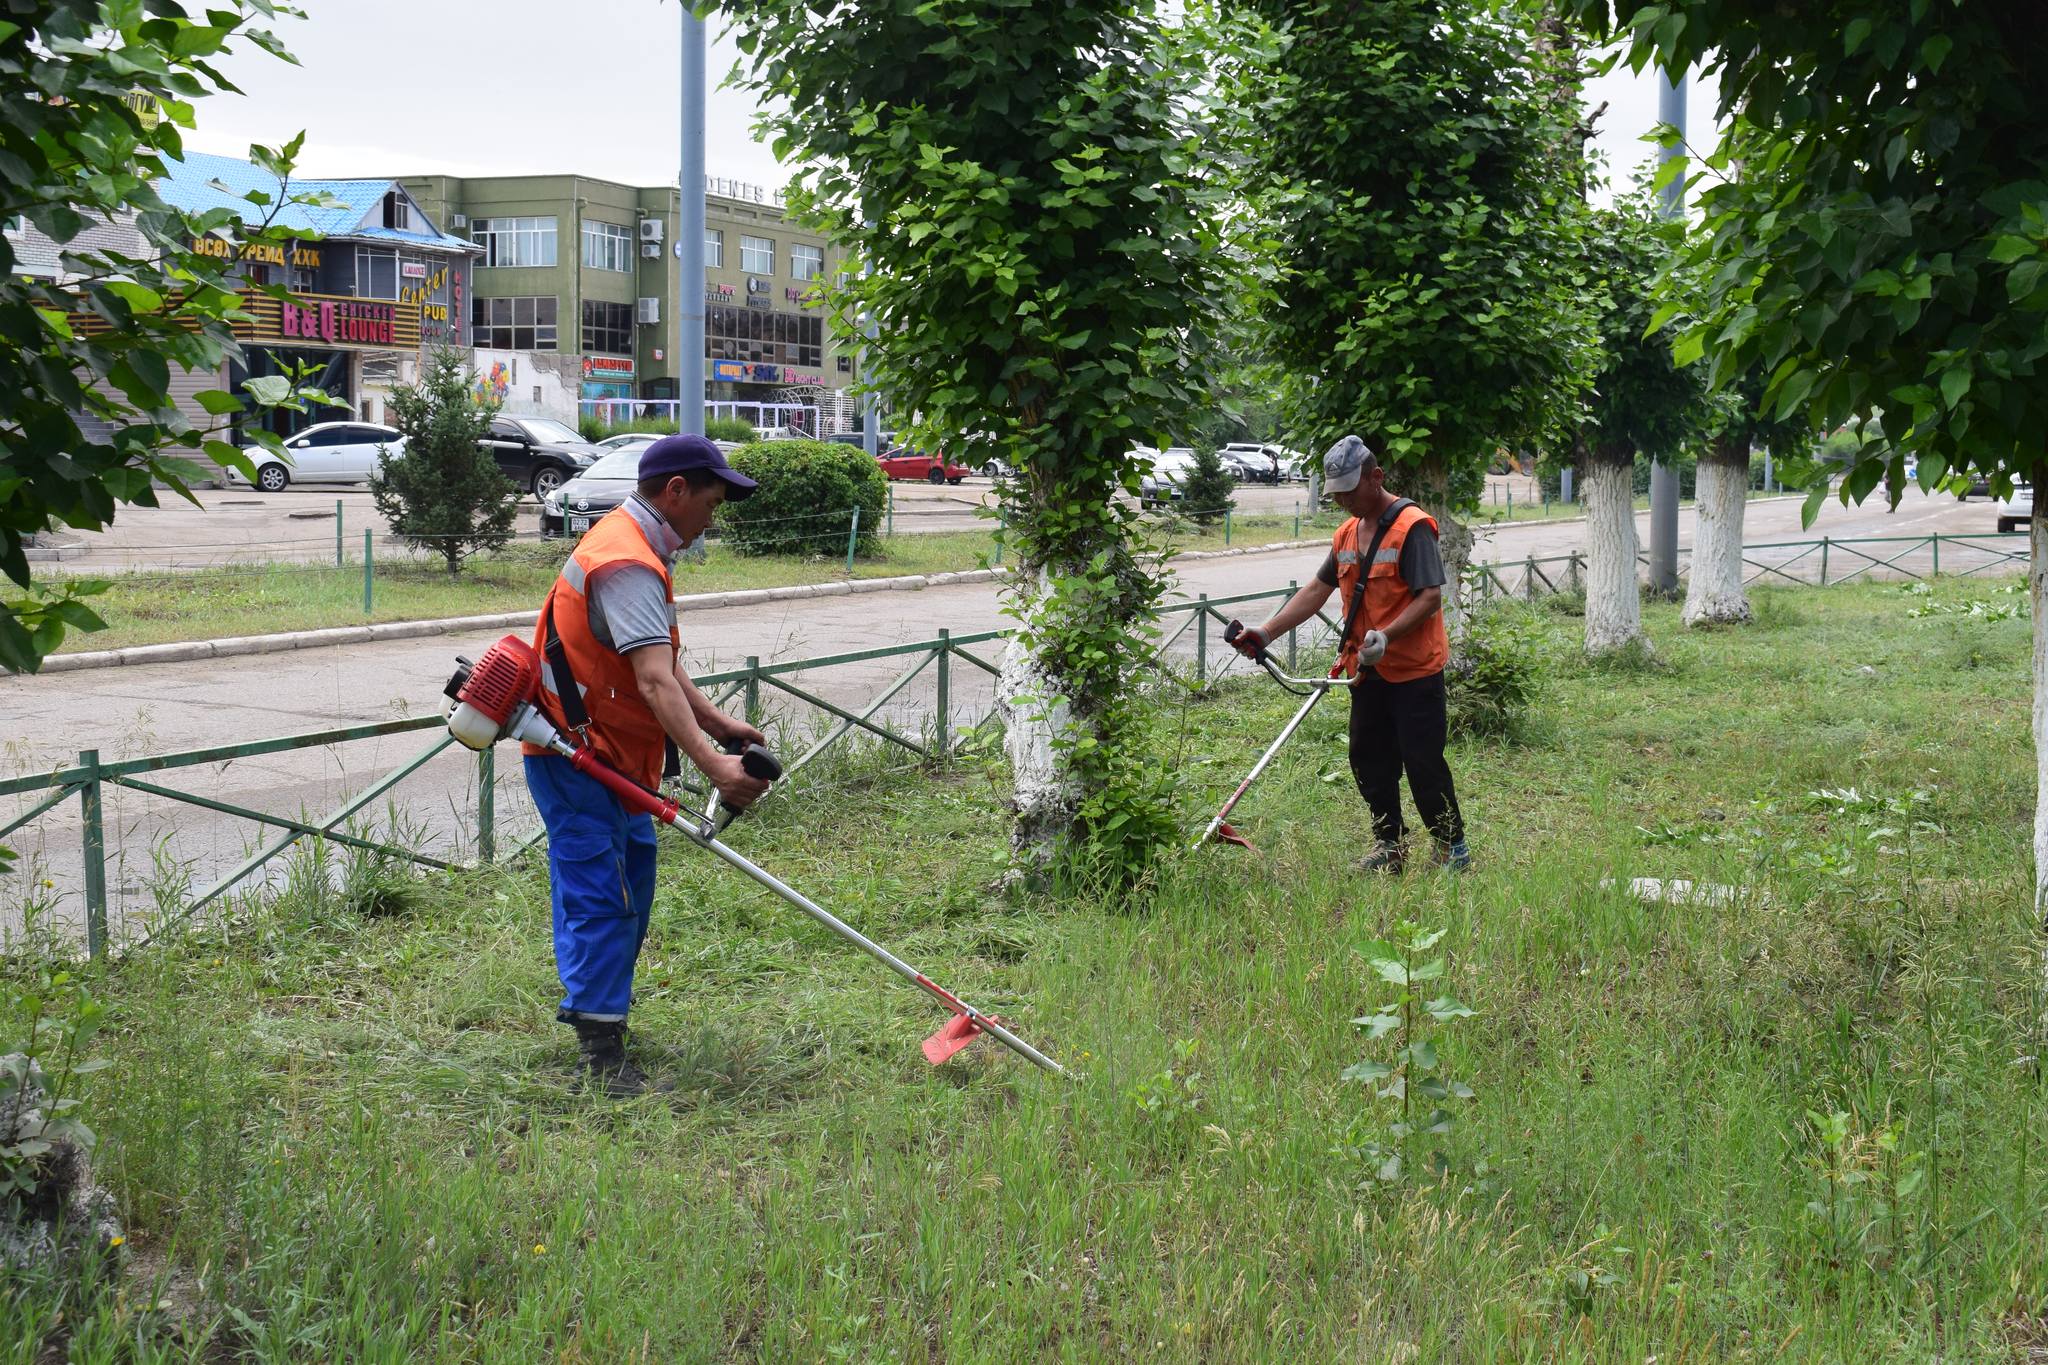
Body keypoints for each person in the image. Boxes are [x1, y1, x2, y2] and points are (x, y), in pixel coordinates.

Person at [521, 433, 773, 1095]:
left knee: (632, 876)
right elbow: (655, 683)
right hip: (575, 757)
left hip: (613, 760)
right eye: (713, 502)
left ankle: (605, 1018)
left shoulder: (635, 545)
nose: (713, 520)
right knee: (602, 898)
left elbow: (655, 660)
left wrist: (716, 721)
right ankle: (601, 1060)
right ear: (677, 491)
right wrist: (718, 767)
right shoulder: (626, 561)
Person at [1229, 434, 1469, 873]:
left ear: (1375, 477)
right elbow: (1317, 591)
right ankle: (1389, 846)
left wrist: (1387, 636)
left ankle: (1452, 846)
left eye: (1348, 491)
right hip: (1366, 673)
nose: (1341, 501)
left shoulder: (1411, 526)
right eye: (1335, 494)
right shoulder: (1345, 533)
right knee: (1368, 759)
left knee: (1422, 763)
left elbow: (1430, 597)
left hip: (1414, 672)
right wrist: (1266, 632)